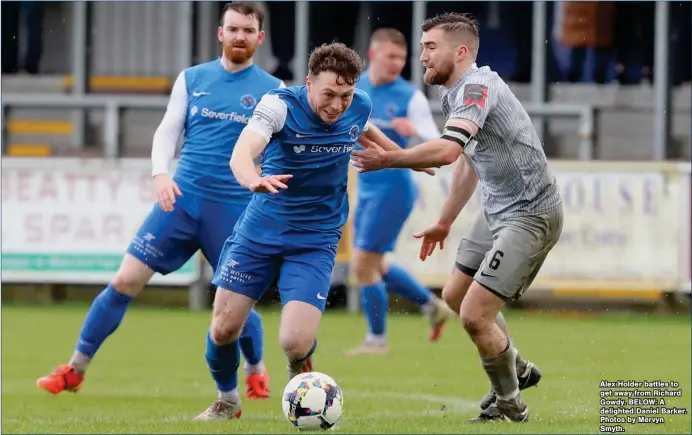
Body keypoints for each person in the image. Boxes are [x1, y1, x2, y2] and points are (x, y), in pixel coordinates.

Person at [36, 2, 281, 401]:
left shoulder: (274, 91)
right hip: (182, 203)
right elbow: (167, 132)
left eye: (247, 31)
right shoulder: (192, 78)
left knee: (235, 303)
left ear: (260, 37)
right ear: (220, 33)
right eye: (232, 29)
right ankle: (74, 369)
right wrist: (160, 173)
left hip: (235, 212)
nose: (240, 36)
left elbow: (277, 150)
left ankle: (255, 371)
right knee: (123, 280)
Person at [193, 41, 434, 421]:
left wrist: (406, 161)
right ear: (308, 83)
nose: (337, 104)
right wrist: (252, 180)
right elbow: (242, 152)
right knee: (224, 328)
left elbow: (366, 130)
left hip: (316, 238)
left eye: (345, 94)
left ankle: (303, 393)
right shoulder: (278, 106)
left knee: (295, 341)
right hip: (260, 232)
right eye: (328, 94)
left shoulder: (359, 104)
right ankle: (227, 401)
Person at [350, 12, 563, 423]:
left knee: (474, 314)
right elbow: (467, 160)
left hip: (530, 214)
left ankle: (509, 404)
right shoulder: (455, 94)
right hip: (497, 209)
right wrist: (446, 220)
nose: (422, 56)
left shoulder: (478, 87)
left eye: (430, 47)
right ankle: (515, 368)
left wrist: (389, 158)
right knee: (454, 297)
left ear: (460, 51)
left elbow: (447, 151)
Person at [346, 28, 453, 357]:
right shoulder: (353, 88)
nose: (398, 64)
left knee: (363, 264)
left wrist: (415, 131)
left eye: (402, 58)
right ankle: (432, 306)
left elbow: (439, 143)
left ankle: (376, 340)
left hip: (394, 189)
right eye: (391, 56)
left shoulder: (411, 97)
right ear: (373, 54)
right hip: (364, 188)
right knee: (374, 265)